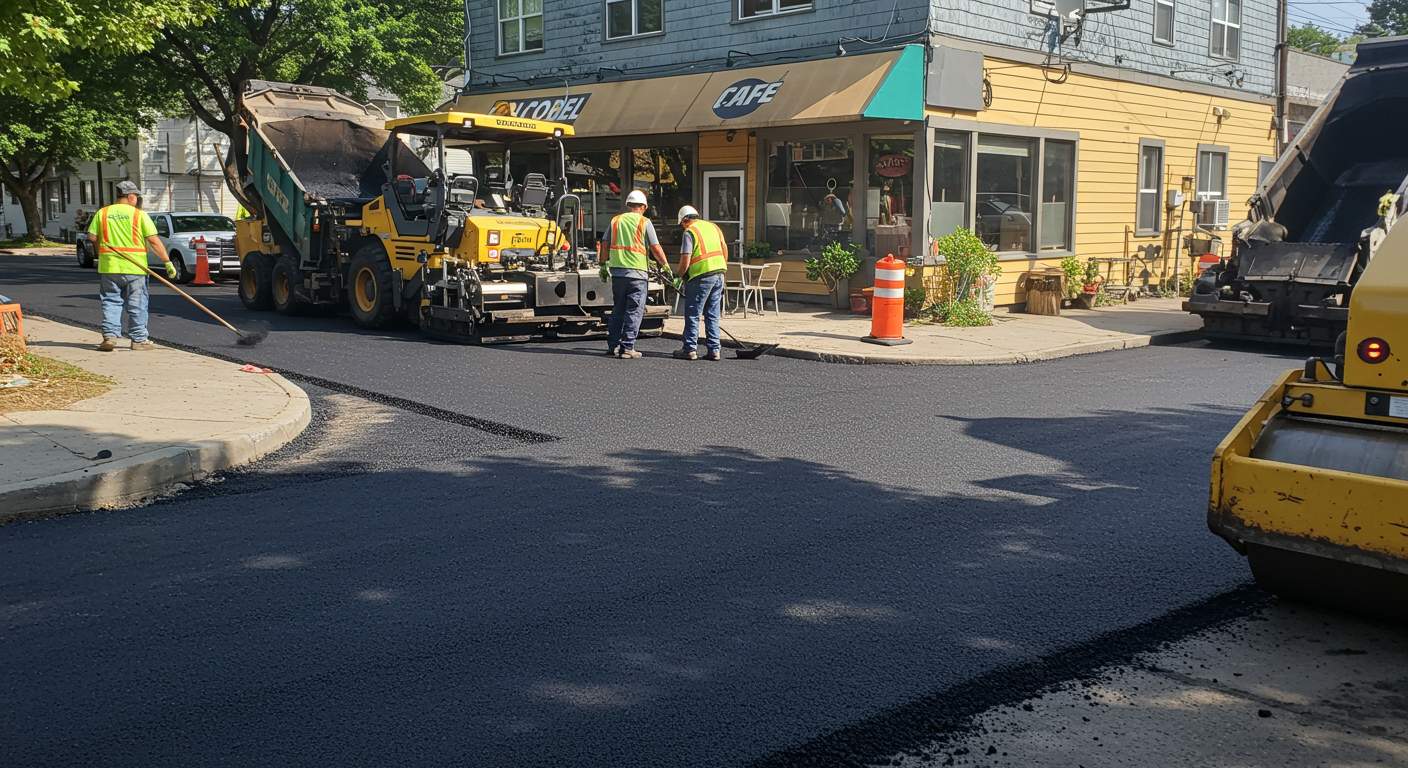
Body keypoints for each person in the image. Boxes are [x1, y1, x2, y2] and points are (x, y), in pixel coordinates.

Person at [89, 180, 175, 351]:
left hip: (109, 266)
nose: (137, 199)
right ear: (130, 197)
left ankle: (110, 336)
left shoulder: (103, 213)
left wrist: (101, 252)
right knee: (137, 303)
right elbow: (153, 241)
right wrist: (167, 262)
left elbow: (92, 237)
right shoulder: (139, 215)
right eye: (136, 196)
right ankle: (138, 340)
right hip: (135, 268)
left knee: (111, 301)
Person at [598, 189, 672, 359]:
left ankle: (613, 345)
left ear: (628, 205)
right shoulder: (645, 222)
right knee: (634, 310)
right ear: (644, 207)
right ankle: (628, 347)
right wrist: (665, 265)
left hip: (618, 273)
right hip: (637, 274)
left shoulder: (615, 220)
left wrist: (603, 264)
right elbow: (655, 247)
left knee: (618, 310)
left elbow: (604, 243)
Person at [672, 205, 727, 361]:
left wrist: (679, 275)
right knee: (712, 314)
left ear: (685, 220)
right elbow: (724, 248)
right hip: (719, 274)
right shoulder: (713, 227)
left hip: (701, 276)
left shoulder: (690, 232)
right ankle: (714, 350)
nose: (682, 227)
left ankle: (689, 349)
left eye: (681, 224)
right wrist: (722, 268)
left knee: (693, 314)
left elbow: (686, 258)